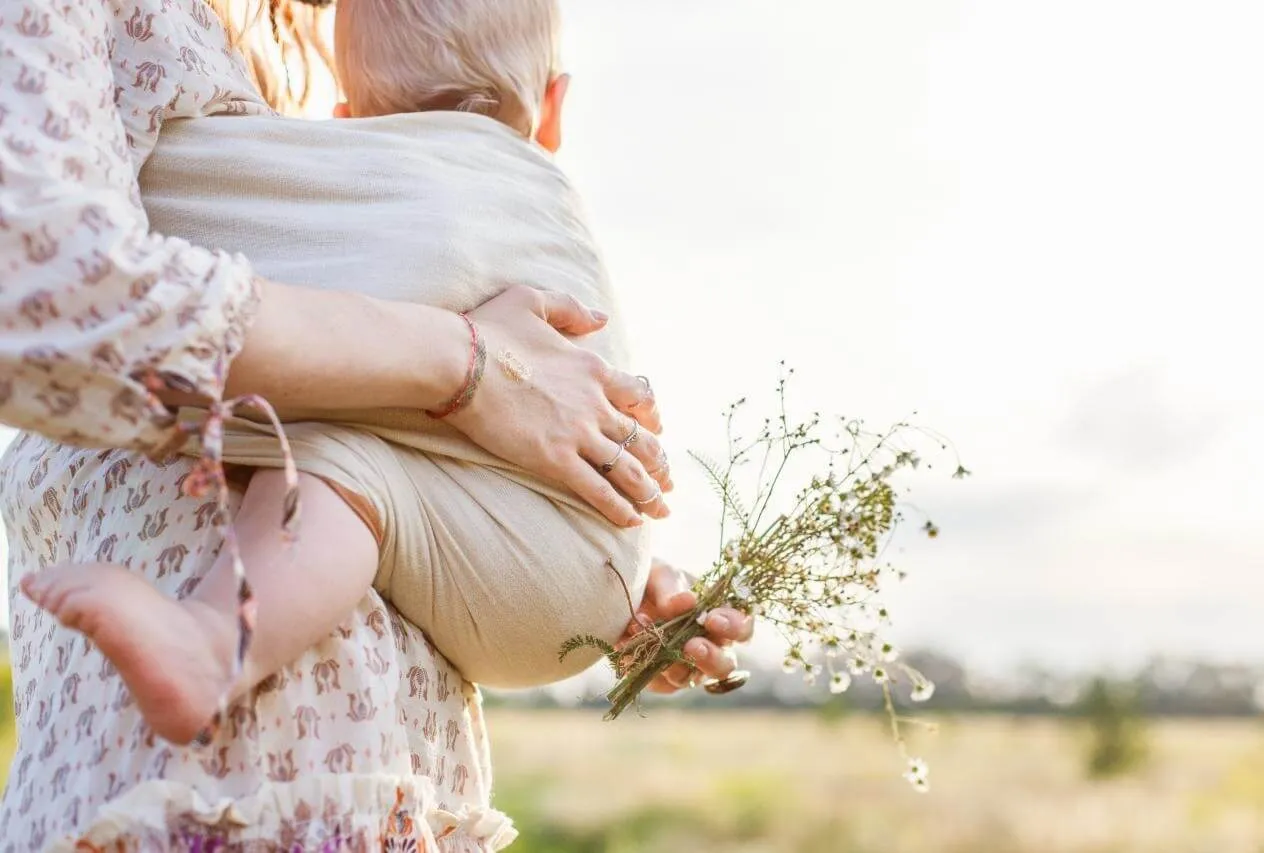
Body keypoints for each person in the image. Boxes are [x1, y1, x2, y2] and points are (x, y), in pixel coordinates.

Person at [0, 0, 753, 849]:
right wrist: (477, 376)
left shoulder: (308, 97)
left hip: (388, 774)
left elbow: (386, 369)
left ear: (350, 117)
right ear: (555, 108)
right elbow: (43, 281)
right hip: (220, 787)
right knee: (335, 450)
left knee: (336, 453)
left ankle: (214, 639)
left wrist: (557, 520)